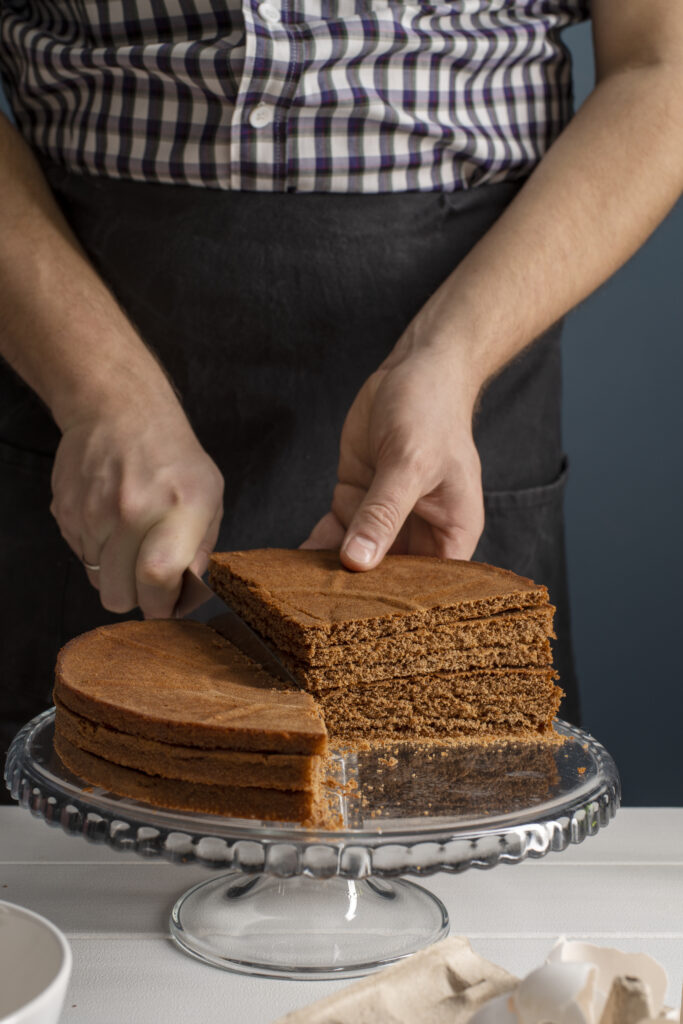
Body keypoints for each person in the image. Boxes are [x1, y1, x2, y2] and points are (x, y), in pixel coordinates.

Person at [0, 0, 681, 794]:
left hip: (465, 336)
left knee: (461, 824)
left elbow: (659, 65)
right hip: (65, 321)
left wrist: (450, 357)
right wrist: (100, 392)